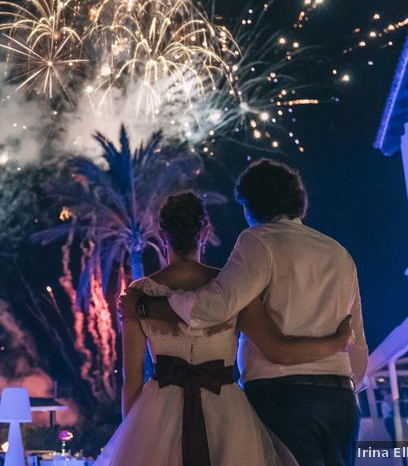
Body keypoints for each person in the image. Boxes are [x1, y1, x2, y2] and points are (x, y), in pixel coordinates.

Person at [121, 160, 369, 466]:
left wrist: (146, 307)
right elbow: (357, 345)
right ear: (205, 231)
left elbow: (214, 307)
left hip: (279, 397)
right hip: (336, 400)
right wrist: (340, 374)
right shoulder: (340, 253)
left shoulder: (257, 243)